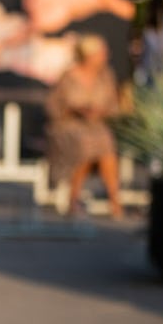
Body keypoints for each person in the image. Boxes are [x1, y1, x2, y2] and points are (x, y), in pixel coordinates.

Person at [45, 33, 123, 217]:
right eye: (101, 53)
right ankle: (73, 199)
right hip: (68, 126)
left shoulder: (106, 76)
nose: (105, 56)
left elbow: (113, 106)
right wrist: (76, 110)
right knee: (85, 143)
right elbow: (53, 106)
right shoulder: (69, 76)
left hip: (96, 126)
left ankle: (115, 200)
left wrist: (98, 111)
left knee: (105, 143)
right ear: (89, 55)